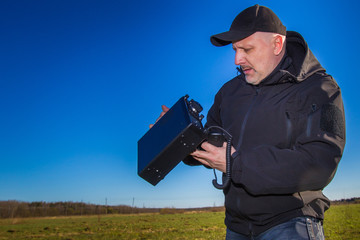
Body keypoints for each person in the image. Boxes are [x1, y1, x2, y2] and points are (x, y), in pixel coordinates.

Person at [151, 4, 345, 240]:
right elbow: (212, 146)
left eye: (247, 49)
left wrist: (235, 163)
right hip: (236, 227)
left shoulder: (321, 89)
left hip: (290, 222)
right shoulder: (229, 92)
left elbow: (321, 163)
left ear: (277, 44)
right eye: (235, 50)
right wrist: (179, 136)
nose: (236, 59)